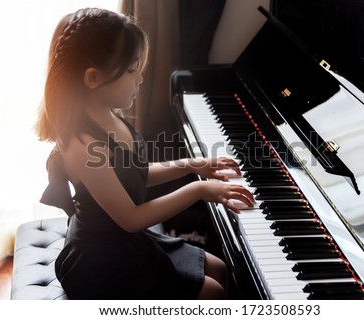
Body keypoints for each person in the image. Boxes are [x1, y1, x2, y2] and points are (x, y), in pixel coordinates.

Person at [35, 8, 255, 300]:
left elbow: (136, 174)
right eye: (130, 70)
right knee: (212, 291)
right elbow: (131, 217)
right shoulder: (83, 144)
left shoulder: (109, 114)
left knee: (220, 269)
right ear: (92, 78)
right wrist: (199, 189)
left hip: (125, 242)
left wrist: (193, 165)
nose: (140, 79)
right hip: (99, 261)